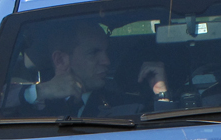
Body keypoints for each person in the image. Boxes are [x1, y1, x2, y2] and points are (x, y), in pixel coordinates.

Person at [15, 22, 168, 117]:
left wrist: (161, 93)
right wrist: (37, 92)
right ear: (60, 60)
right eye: (93, 52)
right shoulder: (31, 103)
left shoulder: (125, 105)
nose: (107, 61)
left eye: (106, 52)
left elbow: (163, 135)